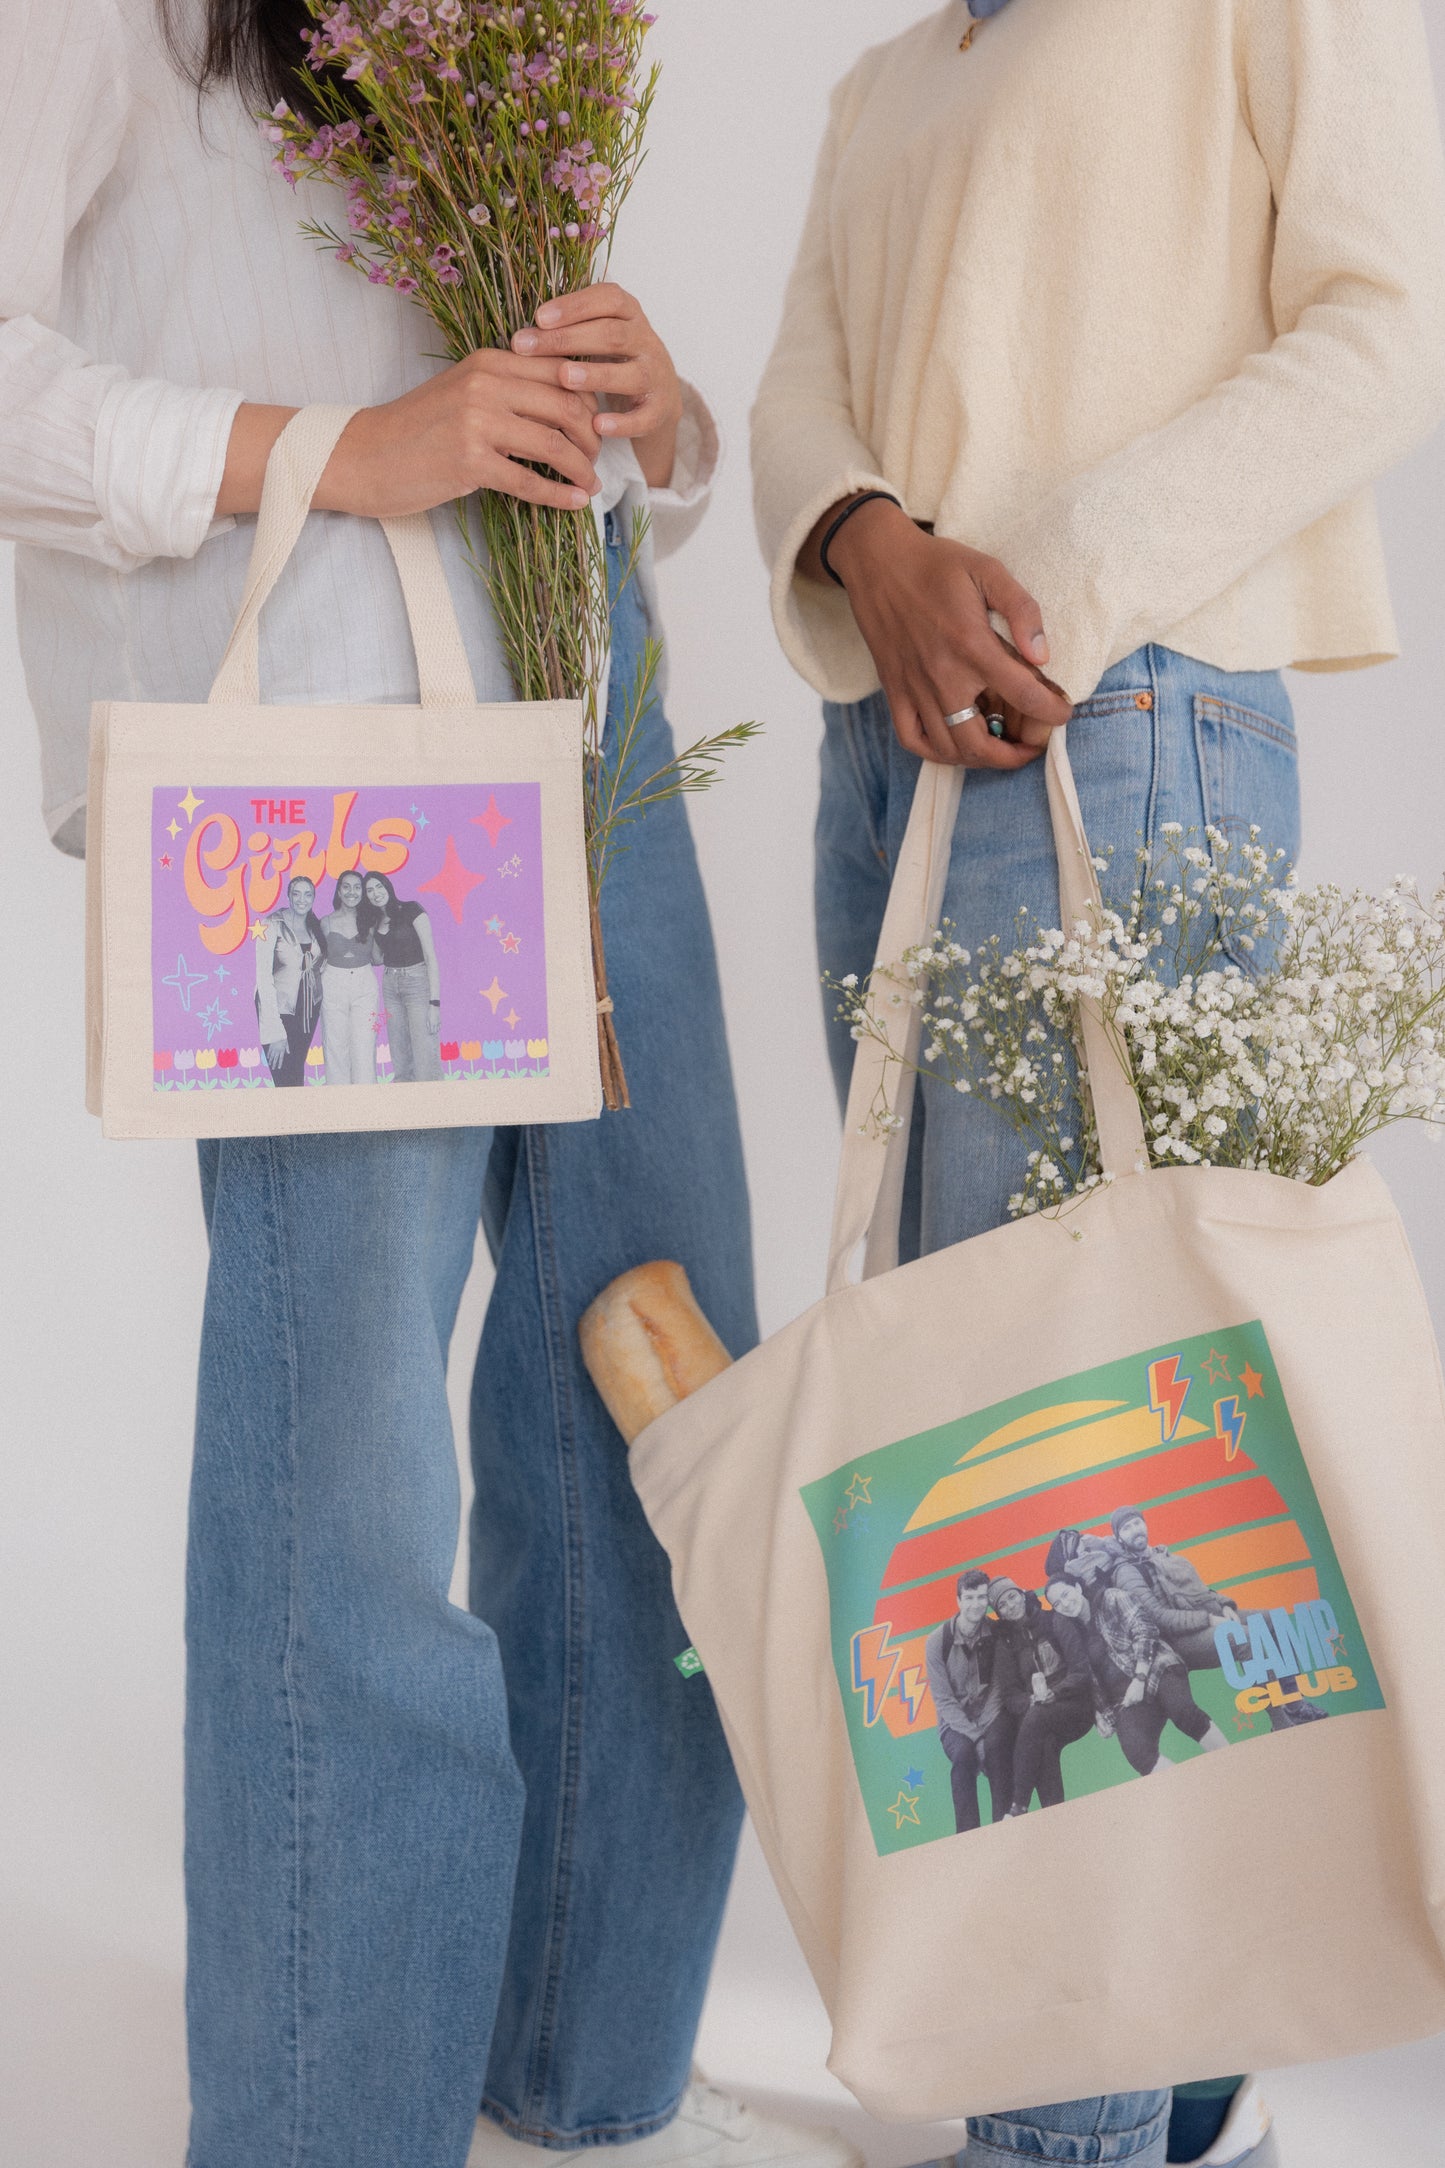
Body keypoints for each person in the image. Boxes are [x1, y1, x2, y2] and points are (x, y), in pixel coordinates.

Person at [0, 7, 861, 2168]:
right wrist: (332, 447)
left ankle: (574, 2079)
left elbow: (524, 406)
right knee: (347, 1458)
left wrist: (636, 416)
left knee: (652, 1377)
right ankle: (327, 2124)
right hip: (318, 757)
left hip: (582, 695)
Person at [753, 0, 1445, 2159]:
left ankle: (1067, 2127)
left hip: (1115, 713)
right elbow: (796, 387)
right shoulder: (886, 76)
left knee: (1054, 1470)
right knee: (995, 1424)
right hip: (889, 750)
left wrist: (1037, 590)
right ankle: (1164, 2073)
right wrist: (874, 543)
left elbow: (1386, 306)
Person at [1047, 1555, 1231, 1778]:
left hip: (1155, 1667)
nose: (1065, 1604)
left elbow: (1145, 1630)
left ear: (1077, 1586)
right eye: (1057, 1603)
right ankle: (1191, 1792)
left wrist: (1139, 1678)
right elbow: (1088, 1679)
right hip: (1125, 1699)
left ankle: (1231, 1766)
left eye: (1065, 1594)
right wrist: (1099, 1714)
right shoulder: (1073, 1634)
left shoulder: (1111, 1598)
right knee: (1137, 1753)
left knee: (1184, 1713)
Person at [987, 1575, 1093, 1818]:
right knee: (1043, 1745)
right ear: (999, 1613)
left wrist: (1055, 1693)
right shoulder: (1005, 1644)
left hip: (1076, 1706)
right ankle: (1053, 1817)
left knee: (1036, 1719)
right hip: (1041, 1715)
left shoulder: (1054, 1621)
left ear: (1023, 1594)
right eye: (1002, 1605)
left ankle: (1018, 1805)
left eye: (1012, 1596)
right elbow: (1011, 1696)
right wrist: (1032, 1700)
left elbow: (1080, 1670)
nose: (1010, 1605)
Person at [924, 1569, 1019, 1833]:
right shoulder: (936, 1641)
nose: (976, 1604)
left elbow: (998, 1688)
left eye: (981, 1597)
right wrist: (975, 1738)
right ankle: (968, 1836)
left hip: (991, 1712)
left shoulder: (996, 1633)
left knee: (998, 1747)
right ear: (958, 1600)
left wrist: (986, 1734)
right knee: (964, 1756)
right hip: (954, 1724)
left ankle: (1005, 1826)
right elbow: (943, 1701)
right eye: (969, 1597)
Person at [1107, 1506, 1237, 1674]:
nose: (1135, 1530)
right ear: (1118, 1538)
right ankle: (1271, 1699)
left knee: (1268, 1622)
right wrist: (1209, 1620)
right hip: (1178, 1640)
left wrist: (1225, 1605)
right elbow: (1158, 1618)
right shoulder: (1126, 1571)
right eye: (1126, 1528)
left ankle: (1282, 1689)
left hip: (1203, 1614)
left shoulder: (1161, 1555)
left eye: (1137, 1523)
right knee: (1246, 1637)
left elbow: (1198, 1590)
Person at [358, 870, 441, 1083]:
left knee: (424, 1049)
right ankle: (405, 1102)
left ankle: (435, 1103)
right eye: (369, 891)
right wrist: (367, 928)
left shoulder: (412, 909)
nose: (375, 893)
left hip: (417, 982)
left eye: (379, 887)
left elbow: (431, 957)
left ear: (387, 886)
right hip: (390, 984)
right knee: (399, 1050)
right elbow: (377, 959)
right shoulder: (377, 922)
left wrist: (434, 1004)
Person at [255, 872, 325, 1087]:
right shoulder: (271, 924)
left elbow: (319, 967)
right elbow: (263, 978)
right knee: (284, 1079)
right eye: (296, 894)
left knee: (296, 1074)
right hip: (279, 1009)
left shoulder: (316, 927)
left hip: (308, 1010)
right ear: (288, 896)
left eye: (308, 895)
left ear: (313, 898)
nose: (302, 899)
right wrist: (274, 1031)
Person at [319, 867, 381, 1087]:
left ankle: (367, 1107)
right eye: (346, 887)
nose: (352, 892)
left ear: (363, 893)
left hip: (364, 982)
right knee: (335, 1045)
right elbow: (317, 958)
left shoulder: (371, 920)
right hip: (333, 982)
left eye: (357, 888)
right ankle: (339, 1106)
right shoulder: (325, 922)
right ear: (338, 891)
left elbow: (378, 958)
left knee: (364, 1044)